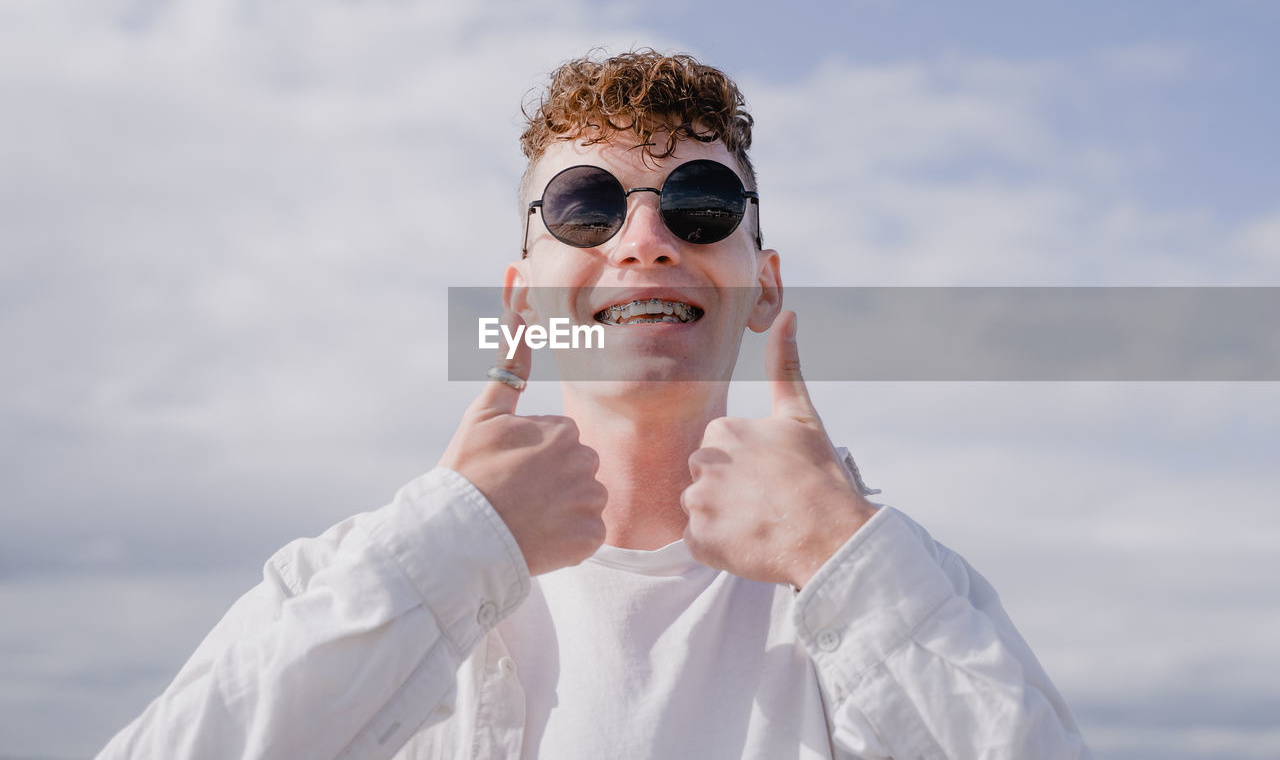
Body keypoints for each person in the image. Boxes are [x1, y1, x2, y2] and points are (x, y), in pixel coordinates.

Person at [98, 50, 1092, 759]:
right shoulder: (353, 575)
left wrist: (841, 560)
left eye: (700, 203)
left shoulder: (896, 582)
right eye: (586, 204)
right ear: (521, 296)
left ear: (766, 285)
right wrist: (450, 551)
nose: (648, 238)